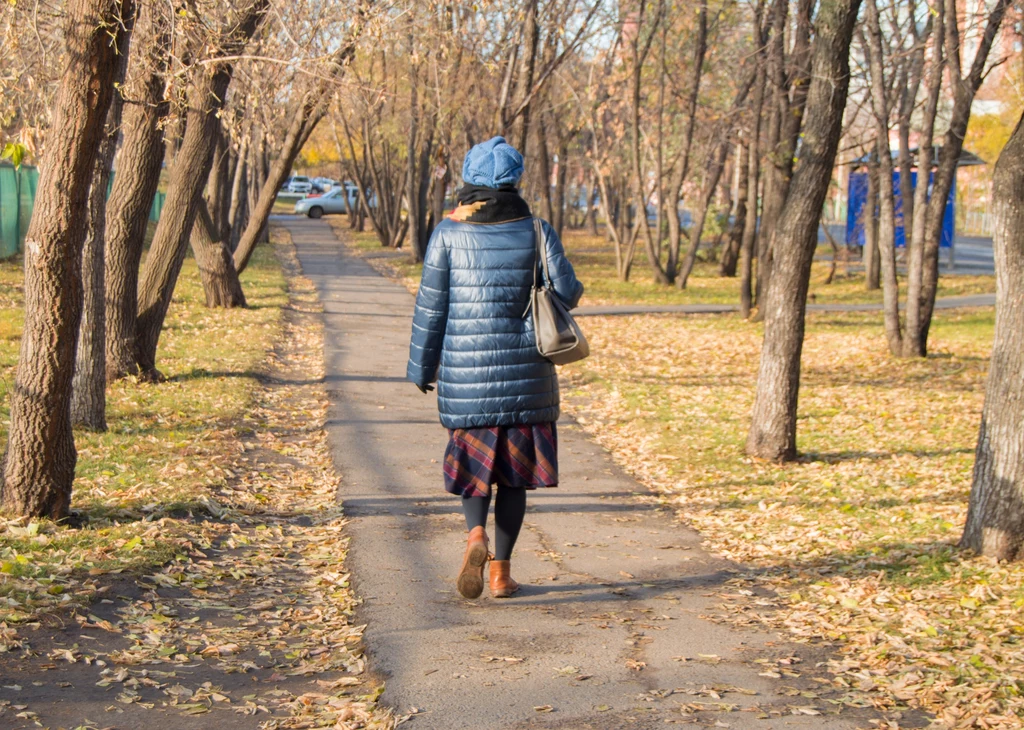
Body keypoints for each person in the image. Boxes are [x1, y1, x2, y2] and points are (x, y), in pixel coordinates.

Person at [406, 136, 584, 599]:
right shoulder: (536, 229)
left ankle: (474, 537)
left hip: (466, 379)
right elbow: (566, 293)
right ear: (515, 180)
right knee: (514, 479)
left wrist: (422, 367)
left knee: (475, 468)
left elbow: (431, 307)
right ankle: (502, 575)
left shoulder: (447, 233)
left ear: (469, 180)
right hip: (527, 378)